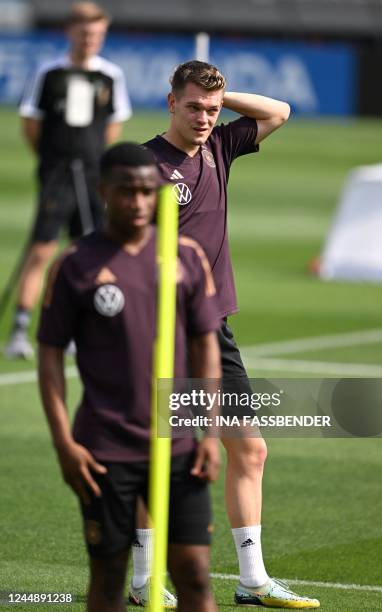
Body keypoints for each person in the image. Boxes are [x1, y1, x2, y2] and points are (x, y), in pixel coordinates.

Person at [130, 60, 320, 609]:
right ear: (170, 102)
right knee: (160, 455)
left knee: (250, 449)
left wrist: (218, 94)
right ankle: (144, 581)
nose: (205, 117)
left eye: (213, 110)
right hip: (159, 329)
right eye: (193, 107)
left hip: (212, 327)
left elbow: (280, 112)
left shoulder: (220, 146)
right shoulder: (144, 164)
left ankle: (252, 581)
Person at [37, 142, 222, 612]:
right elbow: (49, 356)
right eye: (126, 192)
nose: (137, 203)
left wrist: (209, 431)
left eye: (146, 192)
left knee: (196, 576)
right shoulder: (75, 264)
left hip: (177, 444)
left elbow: (205, 345)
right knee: (109, 577)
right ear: (103, 192)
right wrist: (64, 443)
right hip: (103, 451)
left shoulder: (184, 257)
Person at [5, 1, 132, 359]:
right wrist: (50, 161)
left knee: (88, 251)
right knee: (42, 248)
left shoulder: (110, 75)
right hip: (57, 174)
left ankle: (83, 329)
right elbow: (31, 124)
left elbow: (112, 126)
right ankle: (19, 328)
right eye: (85, 32)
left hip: (94, 177)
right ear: (70, 32)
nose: (91, 39)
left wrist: (96, 164)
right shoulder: (50, 73)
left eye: (97, 33)